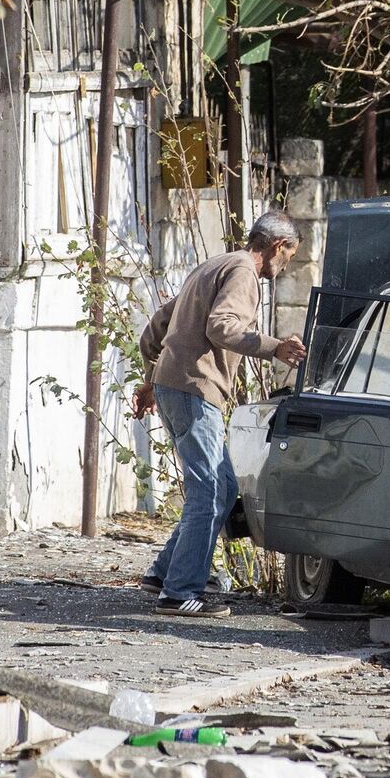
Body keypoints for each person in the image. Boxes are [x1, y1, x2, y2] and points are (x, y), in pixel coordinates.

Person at [133, 212, 308, 616]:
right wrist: (275, 347)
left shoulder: (215, 264)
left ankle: (163, 574)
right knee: (209, 491)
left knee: (224, 489)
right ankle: (179, 593)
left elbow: (157, 327)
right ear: (278, 246)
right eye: (290, 256)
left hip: (177, 387)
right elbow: (221, 327)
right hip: (194, 389)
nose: (286, 266)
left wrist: (152, 380)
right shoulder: (244, 272)